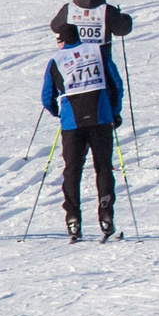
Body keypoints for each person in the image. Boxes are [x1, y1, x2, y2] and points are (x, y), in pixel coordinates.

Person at [39, 27, 123, 242]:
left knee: (72, 170)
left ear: (61, 40)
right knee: (103, 166)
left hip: (71, 122)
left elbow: (47, 97)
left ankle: (73, 219)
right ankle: (106, 215)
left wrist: (58, 113)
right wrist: (115, 111)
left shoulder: (56, 60)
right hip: (101, 117)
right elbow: (116, 83)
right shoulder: (97, 51)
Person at [50, 0, 135, 69]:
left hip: (73, 61)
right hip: (100, 61)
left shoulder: (69, 8)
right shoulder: (107, 10)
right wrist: (125, 17)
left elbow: (55, 26)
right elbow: (123, 29)